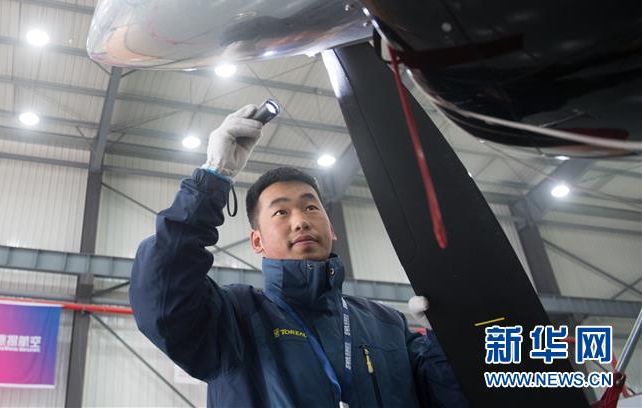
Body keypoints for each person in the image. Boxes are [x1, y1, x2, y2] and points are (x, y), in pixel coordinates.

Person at [130, 106, 469, 407]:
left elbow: (454, 395)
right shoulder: (232, 318)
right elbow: (161, 292)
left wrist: (449, 334)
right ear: (257, 241)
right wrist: (212, 178)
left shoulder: (387, 325)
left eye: (310, 207)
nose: (300, 221)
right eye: (281, 212)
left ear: (332, 228)